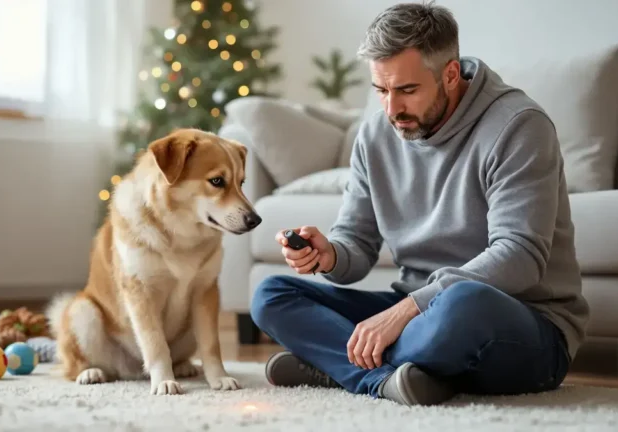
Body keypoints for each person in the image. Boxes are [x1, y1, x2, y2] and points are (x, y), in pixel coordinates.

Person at [250, 2, 591, 406]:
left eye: (407, 90)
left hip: (519, 322)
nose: (392, 110)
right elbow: (356, 245)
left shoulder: (519, 126)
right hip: (418, 315)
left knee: (463, 304)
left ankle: (336, 366)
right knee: (271, 294)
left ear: (450, 74)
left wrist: (410, 308)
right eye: (381, 90)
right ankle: (388, 377)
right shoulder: (375, 133)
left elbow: (520, 256)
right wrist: (329, 256)